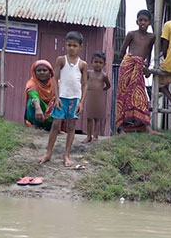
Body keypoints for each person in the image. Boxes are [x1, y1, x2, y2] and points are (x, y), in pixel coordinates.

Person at [37, 31, 88, 167]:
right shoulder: (61, 60)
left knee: (71, 126)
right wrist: (57, 97)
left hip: (75, 99)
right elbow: (55, 78)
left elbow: (84, 84)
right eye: (69, 45)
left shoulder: (82, 64)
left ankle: (66, 155)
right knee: (55, 124)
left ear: (80, 47)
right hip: (62, 98)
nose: (71, 48)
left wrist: (82, 102)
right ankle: (48, 153)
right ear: (66, 45)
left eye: (75, 46)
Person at [116, 9, 160, 135]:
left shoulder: (152, 37)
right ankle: (121, 128)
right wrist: (131, 60)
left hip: (139, 68)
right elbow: (122, 52)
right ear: (136, 21)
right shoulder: (131, 34)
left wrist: (146, 67)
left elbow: (149, 54)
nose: (142, 22)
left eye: (145, 20)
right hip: (127, 67)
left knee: (141, 97)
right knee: (123, 97)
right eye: (140, 20)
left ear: (149, 23)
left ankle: (146, 127)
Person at [85, 51, 111, 142]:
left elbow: (108, 85)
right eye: (96, 62)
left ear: (104, 64)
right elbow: (84, 83)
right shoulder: (88, 73)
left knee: (97, 118)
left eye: (100, 63)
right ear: (91, 62)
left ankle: (95, 136)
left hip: (99, 100)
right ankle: (88, 136)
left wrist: (101, 90)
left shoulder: (104, 75)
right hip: (90, 99)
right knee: (89, 118)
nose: (98, 64)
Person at [24, 60, 55, 130]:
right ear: (34, 73)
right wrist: (38, 109)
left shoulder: (56, 83)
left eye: (45, 70)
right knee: (32, 101)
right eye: (39, 70)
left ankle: (56, 126)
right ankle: (36, 125)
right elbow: (34, 96)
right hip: (38, 114)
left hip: (52, 115)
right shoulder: (31, 83)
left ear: (50, 72)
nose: (42, 72)